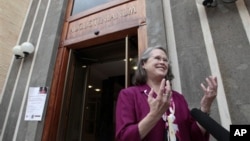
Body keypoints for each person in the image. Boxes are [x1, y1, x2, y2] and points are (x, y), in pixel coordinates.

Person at [115, 46, 218, 141]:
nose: (162, 62)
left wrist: (205, 107)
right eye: (157, 58)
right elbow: (124, 137)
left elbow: (195, 136)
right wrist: (154, 115)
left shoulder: (178, 98)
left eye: (165, 60)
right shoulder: (129, 94)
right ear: (143, 64)